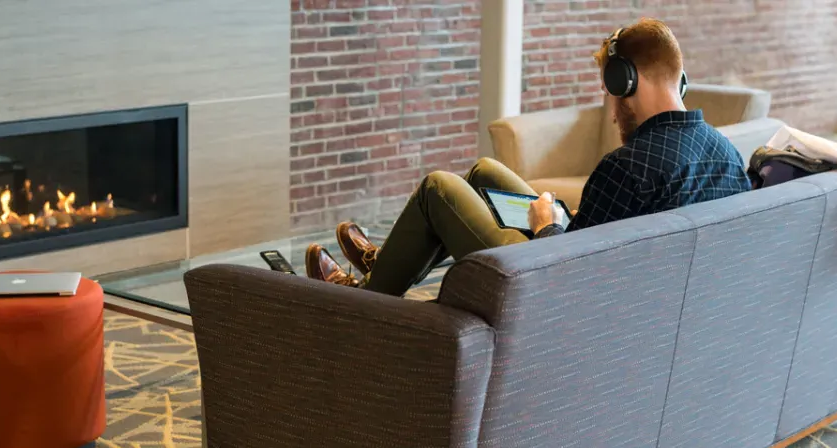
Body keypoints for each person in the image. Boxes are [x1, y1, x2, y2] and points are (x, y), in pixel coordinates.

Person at [305, 18, 751, 297]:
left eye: (610, 92)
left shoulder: (626, 167)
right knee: (485, 172)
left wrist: (550, 226)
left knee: (438, 189)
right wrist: (570, 220)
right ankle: (388, 262)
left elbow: (568, 278)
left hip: (549, 291)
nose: (613, 111)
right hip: (644, 289)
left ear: (624, 82)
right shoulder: (728, 156)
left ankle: (363, 295)